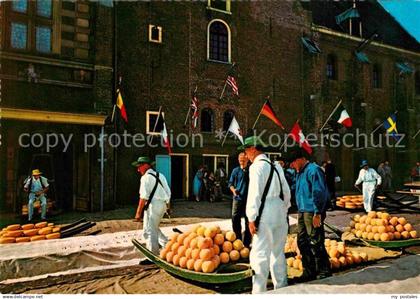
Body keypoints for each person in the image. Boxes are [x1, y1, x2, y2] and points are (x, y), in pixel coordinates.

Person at [240, 136, 291, 293]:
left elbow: (254, 194)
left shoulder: (256, 167)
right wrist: (284, 209)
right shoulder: (276, 166)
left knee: (260, 254)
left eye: (246, 151)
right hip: (279, 211)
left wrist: (251, 218)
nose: (246, 155)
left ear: (253, 149)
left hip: (265, 212)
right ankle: (281, 289)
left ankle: (259, 291)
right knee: (278, 252)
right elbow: (286, 192)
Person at [290, 148, 331, 281]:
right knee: (302, 241)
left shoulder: (313, 170)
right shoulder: (300, 172)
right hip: (302, 211)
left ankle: (323, 270)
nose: (292, 166)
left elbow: (319, 192)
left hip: (312, 211)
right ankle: (309, 270)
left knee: (315, 240)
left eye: (293, 163)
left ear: (300, 159)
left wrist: (318, 212)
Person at [132, 156, 171, 261]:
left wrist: (138, 213)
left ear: (145, 166)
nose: (138, 169)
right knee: (152, 228)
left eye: (139, 166)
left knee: (149, 230)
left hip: (153, 206)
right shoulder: (160, 175)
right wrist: (168, 207)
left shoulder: (145, 178)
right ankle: (168, 245)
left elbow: (143, 197)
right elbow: (168, 192)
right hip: (162, 205)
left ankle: (152, 256)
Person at [228, 152, 251, 247]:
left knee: (248, 220)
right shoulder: (235, 171)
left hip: (248, 199)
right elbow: (230, 183)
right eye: (240, 160)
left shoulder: (251, 170)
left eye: (243, 160)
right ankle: (237, 239)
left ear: (247, 160)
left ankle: (246, 242)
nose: (242, 162)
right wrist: (233, 190)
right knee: (235, 218)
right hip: (237, 198)